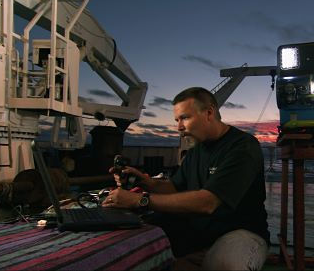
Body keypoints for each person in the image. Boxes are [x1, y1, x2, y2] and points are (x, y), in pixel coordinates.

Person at [102, 87, 270, 270]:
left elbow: (208, 202)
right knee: (131, 239)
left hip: (241, 231)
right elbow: (175, 187)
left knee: (227, 265)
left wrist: (140, 200)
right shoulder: (196, 151)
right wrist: (144, 181)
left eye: (185, 118)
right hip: (199, 230)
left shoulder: (242, 147)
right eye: (177, 120)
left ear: (209, 113)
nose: (179, 127)